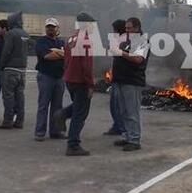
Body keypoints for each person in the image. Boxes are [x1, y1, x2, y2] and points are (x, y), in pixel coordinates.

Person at [54, 12, 97, 156]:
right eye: (91, 24)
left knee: (78, 106)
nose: (93, 27)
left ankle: (62, 113)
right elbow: (86, 66)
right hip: (81, 82)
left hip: (70, 80)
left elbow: (66, 60)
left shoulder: (70, 38)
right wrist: (90, 85)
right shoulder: (85, 40)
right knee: (80, 114)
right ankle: (73, 145)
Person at [111, 17, 150, 152]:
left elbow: (138, 59)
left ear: (137, 28)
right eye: (126, 28)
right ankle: (127, 136)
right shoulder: (125, 40)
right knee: (123, 111)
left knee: (132, 112)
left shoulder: (142, 41)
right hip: (120, 80)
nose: (126, 30)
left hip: (133, 81)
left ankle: (134, 140)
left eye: (129, 28)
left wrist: (121, 53)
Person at [33, 17, 66, 141]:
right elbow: (47, 56)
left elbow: (67, 55)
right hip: (46, 76)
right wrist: (60, 54)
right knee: (43, 104)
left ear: (57, 28)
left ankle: (55, 131)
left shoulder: (61, 42)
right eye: (48, 27)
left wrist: (57, 52)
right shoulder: (41, 42)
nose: (50, 29)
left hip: (59, 77)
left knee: (58, 106)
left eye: (52, 27)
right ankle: (40, 132)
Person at [0, 12, 29, 129]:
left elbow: (6, 52)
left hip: (10, 69)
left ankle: (8, 121)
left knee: (8, 97)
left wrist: (1, 66)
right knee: (20, 97)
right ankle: (19, 121)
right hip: (22, 70)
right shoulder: (25, 34)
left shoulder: (11, 34)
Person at [104, 19, 127, 136]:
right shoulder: (118, 40)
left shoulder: (126, 42)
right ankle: (117, 126)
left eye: (114, 30)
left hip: (123, 78)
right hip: (116, 77)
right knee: (114, 105)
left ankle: (122, 129)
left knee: (119, 106)